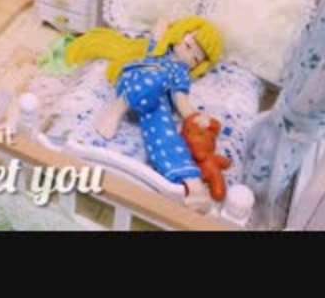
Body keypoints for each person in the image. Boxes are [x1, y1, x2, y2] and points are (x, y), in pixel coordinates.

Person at [65, 16, 224, 213]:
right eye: (188, 45)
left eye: (196, 58)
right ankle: (116, 111)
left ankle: (193, 185)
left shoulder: (181, 74)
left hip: (155, 100)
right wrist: (174, 25)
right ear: (179, 36)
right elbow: (161, 24)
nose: (188, 54)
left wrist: (195, 116)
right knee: (154, 77)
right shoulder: (157, 50)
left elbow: (181, 100)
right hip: (132, 80)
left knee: (164, 130)